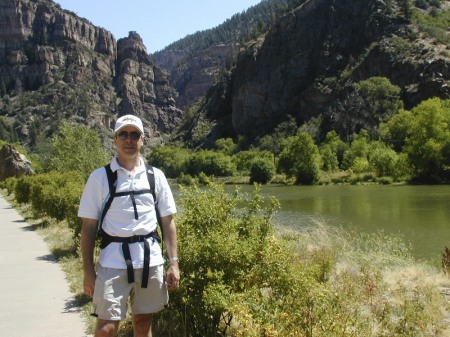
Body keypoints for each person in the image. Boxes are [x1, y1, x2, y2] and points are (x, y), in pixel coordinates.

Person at [78, 114, 180, 337]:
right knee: (106, 328)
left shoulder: (156, 177)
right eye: (123, 134)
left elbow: (168, 222)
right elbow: (88, 228)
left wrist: (174, 263)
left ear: (142, 139)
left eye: (135, 134)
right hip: (112, 263)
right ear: (114, 139)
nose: (129, 139)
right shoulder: (99, 178)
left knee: (143, 323)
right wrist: (88, 271)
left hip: (150, 262)